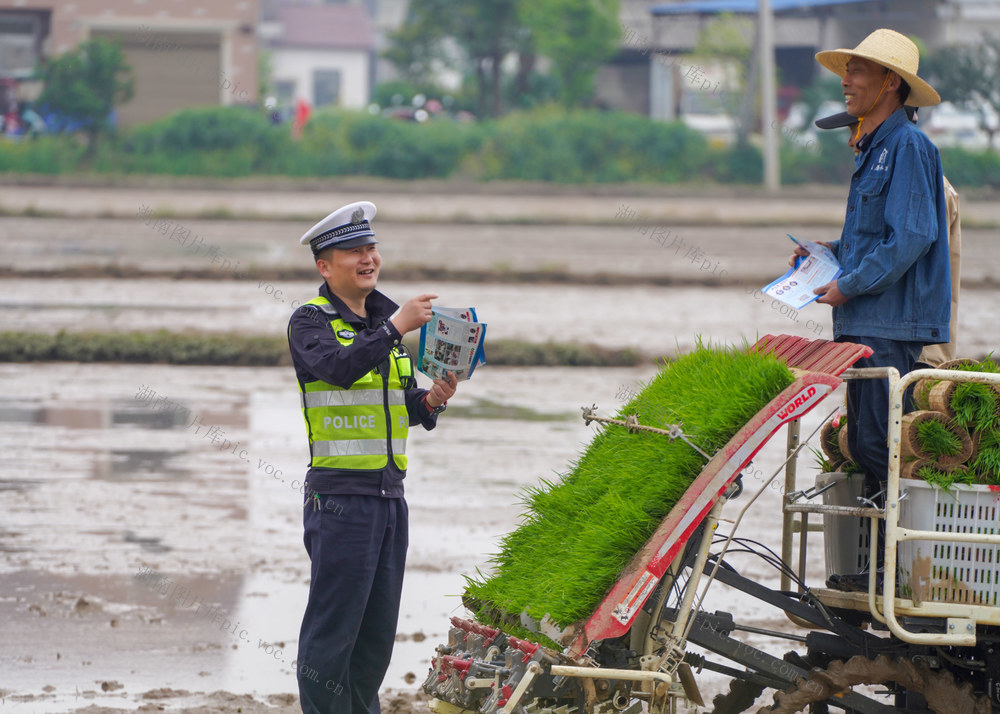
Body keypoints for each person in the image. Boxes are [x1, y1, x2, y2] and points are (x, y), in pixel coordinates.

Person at [790, 29, 951, 586]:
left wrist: (849, 284)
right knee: (866, 441)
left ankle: (893, 570)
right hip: (864, 318)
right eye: (848, 70)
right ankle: (877, 566)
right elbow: (874, 238)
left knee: (880, 442)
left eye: (859, 71)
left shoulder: (907, 147)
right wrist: (825, 256)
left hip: (888, 319)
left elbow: (910, 237)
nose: (846, 81)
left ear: (890, 83)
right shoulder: (874, 148)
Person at [287, 201, 458, 713]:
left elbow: (395, 405)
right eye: (354, 251)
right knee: (331, 634)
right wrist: (395, 328)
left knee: (375, 638)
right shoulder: (310, 322)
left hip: (389, 498)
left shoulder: (387, 325)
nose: (368, 259)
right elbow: (339, 370)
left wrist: (431, 400)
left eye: (371, 249)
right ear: (325, 265)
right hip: (339, 497)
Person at [813, 105, 962, 366]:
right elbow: (880, 239)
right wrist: (831, 251)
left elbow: (910, 248)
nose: (851, 141)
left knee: (895, 404)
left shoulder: (932, 186)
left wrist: (848, 286)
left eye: (855, 129)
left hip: (909, 338)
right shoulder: (888, 179)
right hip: (877, 329)